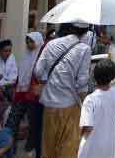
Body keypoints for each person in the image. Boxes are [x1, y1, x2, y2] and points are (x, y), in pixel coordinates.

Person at [34, 23, 92, 158]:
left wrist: (51, 79)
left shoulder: (51, 44)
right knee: (68, 148)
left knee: (48, 147)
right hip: (69, 104)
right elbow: (81, 82)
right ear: (84, 32)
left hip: (49, 104)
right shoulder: (84, 49)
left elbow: (38, 71)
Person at [77, 59, 115, 158]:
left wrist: (78, 135)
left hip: (91, 150)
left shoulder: (90, 100)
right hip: (109, 148)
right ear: (112, 77)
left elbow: (87, 127)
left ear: (94, 77)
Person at [10, 32, 45, 158]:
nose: (29, 44)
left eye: (32, 41)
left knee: (33, 124)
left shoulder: (42, 57)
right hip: (21, 94)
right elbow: (20, 76)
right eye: (27, 42)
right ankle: (10, 149)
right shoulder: (25, 56)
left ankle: (31, 147)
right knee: (13, 121)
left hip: (34, 97)